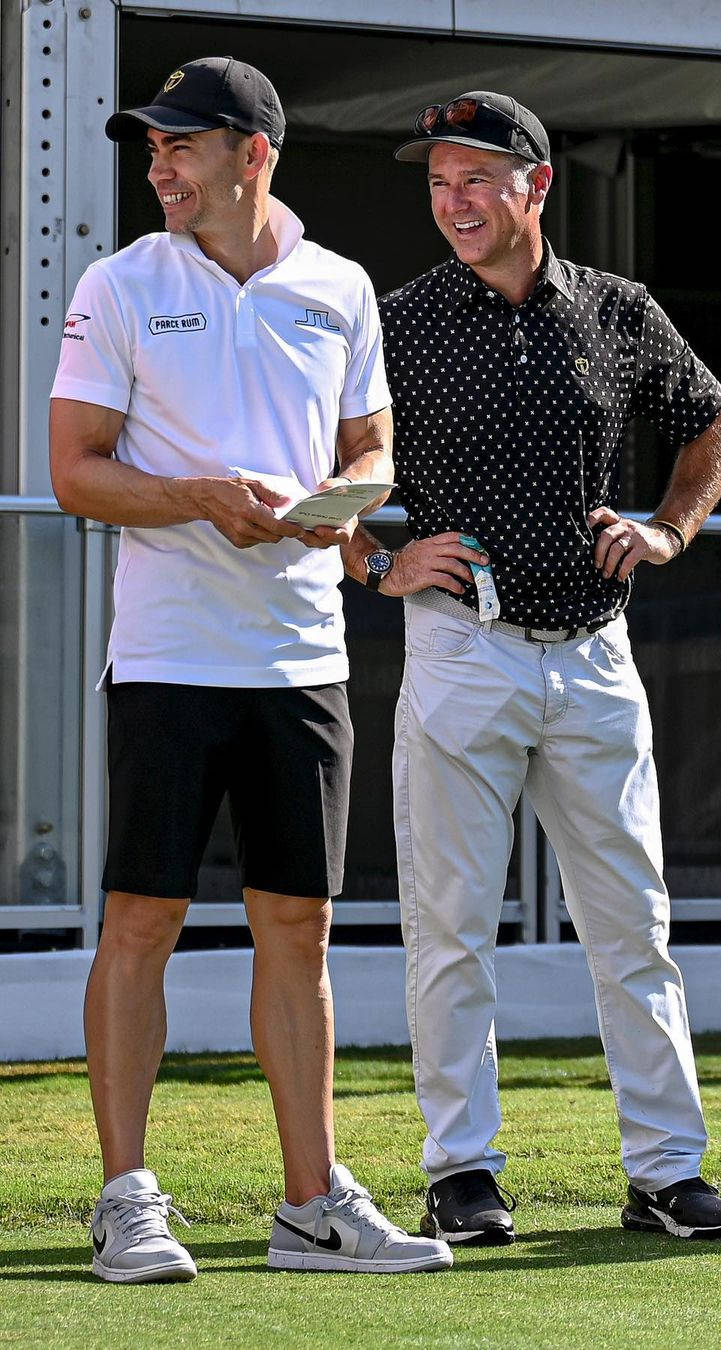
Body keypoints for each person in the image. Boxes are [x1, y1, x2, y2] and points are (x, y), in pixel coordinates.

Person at [49, 57, 451, 1283]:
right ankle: (127, 1202)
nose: (159, 165)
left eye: (181, 144)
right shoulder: (119, 281)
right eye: (153, 147)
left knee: (299, 928)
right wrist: (201, 499)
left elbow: (372, 446)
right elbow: (75, 469)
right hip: (167, 657)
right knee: (142, 920)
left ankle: (310, 1208)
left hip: (303, 658)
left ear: (253, 154)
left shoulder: (340, 286)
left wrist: (343, 508)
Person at [345, 91, 721, 1245]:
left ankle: (668, 1173)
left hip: (595, 653)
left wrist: (670, 529)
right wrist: (377, 563)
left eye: (476, 178)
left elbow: (715, 421)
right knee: (451, 926)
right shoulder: (398, 319)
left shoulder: (619, 311)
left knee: (634, 925)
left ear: (536, 185)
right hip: (463, 645)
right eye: (438, 182)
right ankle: (461, 1173)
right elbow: (320, 470)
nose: (454, 201)